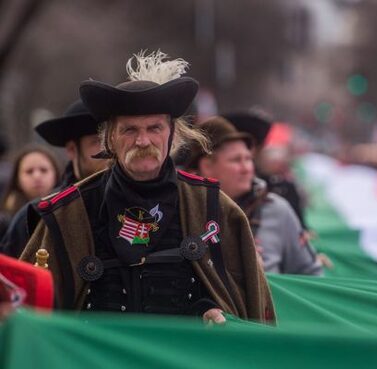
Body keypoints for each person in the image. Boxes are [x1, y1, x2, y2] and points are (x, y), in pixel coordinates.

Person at [20, 51, 274, 324]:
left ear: (172, 134)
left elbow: (254, 314)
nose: (143, 141)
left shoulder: (214, 207)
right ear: (110, 139)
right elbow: (23, 310)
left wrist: (210, 307)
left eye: (154, 128)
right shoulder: (67, 213)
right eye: (129, 130)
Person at [184, 117, 322, 275]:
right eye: (236, 160)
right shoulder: (182, 208)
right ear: (207, 166)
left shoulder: (276, 209)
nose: (247, 168)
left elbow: (310, 274)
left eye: (248, 159)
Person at [1, 100, 108, 257]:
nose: (108, 150)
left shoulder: (132, 203)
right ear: (72, 150)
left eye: (110, 141)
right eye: (97, 142)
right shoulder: (37, 216)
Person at [0, 146, 60, 236]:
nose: (37, 176)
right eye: (29, 171)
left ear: (56, 175)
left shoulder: (67, 212)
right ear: (17, 179)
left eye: (44, 170)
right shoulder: (5, 221)